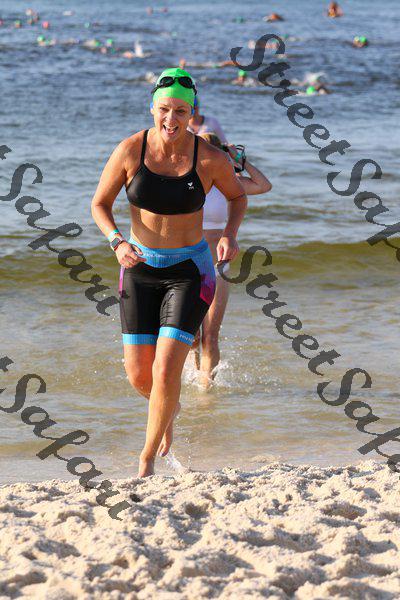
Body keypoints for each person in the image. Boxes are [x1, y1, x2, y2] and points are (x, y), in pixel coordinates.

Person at [91, 68, 247, 478]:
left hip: (190, 271)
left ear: (192, 113)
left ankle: (146, 461)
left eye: (180, 110)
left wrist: (230, 234)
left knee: (165, 371)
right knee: (139, 376)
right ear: (152, 108)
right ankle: (168, 409)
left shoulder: (209, 158)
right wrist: (117, 242)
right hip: (138, 268)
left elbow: (238, 196)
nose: (171, 118)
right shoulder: (130, 150)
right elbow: (99, 205)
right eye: (164, 109)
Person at [192, 133, 271, 387]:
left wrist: (241, 159)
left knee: (210, 336)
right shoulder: (187, 179)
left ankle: (205, 391)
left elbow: (263, 185)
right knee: (191, 337)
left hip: (218, 264)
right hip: (187, 261)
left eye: (210, 151)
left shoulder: (230, 184)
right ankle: (192, 375)